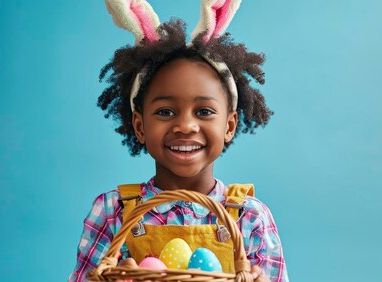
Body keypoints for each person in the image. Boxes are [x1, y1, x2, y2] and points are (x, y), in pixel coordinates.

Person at [70, 1, 288, 281]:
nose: (185, 125)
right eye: (165, 112)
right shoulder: (114, 212)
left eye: (204, 111)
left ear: (229, 126)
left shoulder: (250, 217)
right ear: (140, 126)